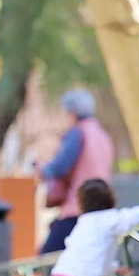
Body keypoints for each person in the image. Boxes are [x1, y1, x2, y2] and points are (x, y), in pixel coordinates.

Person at [38, 89, 115, 255]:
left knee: (46, 257)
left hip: (78, 208)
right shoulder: (103, 135)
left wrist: (43, 169)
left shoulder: (78, 133)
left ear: (72, 113)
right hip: (101, 208)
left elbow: (60, 166)